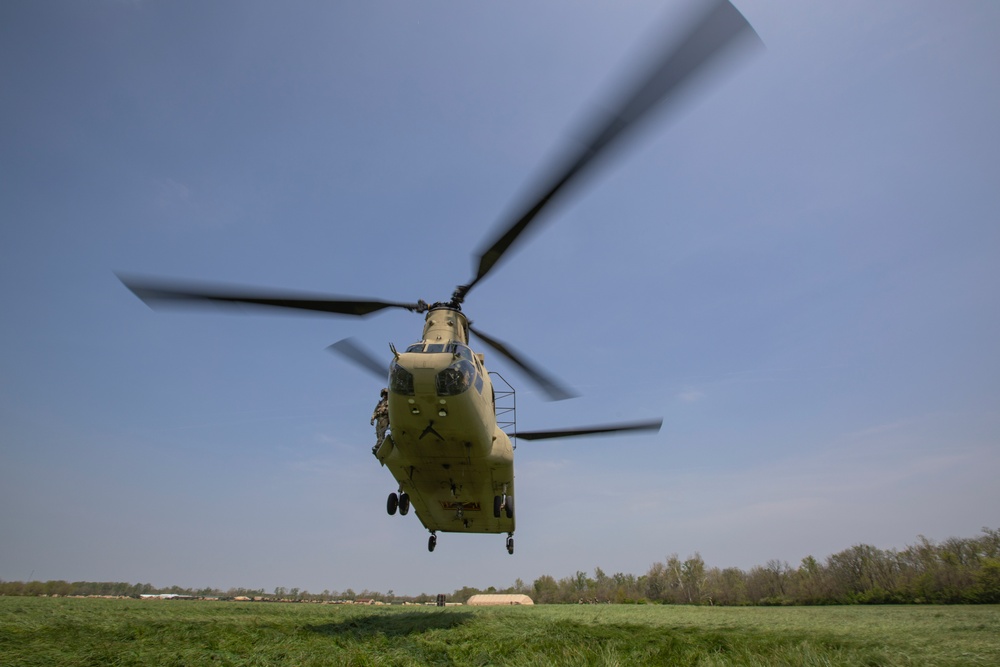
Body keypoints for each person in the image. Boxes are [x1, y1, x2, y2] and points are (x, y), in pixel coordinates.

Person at [371, 388, 389, 454]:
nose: (384, 395)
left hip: (385, 418)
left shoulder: (390, 402)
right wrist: (372, 418)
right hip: (379, 418)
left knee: (382, 431)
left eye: (386, 394)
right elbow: (375, 411)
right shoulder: (380, 403)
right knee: (378, 431)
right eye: (383, 394)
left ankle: (380, 444)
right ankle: (379, 443)